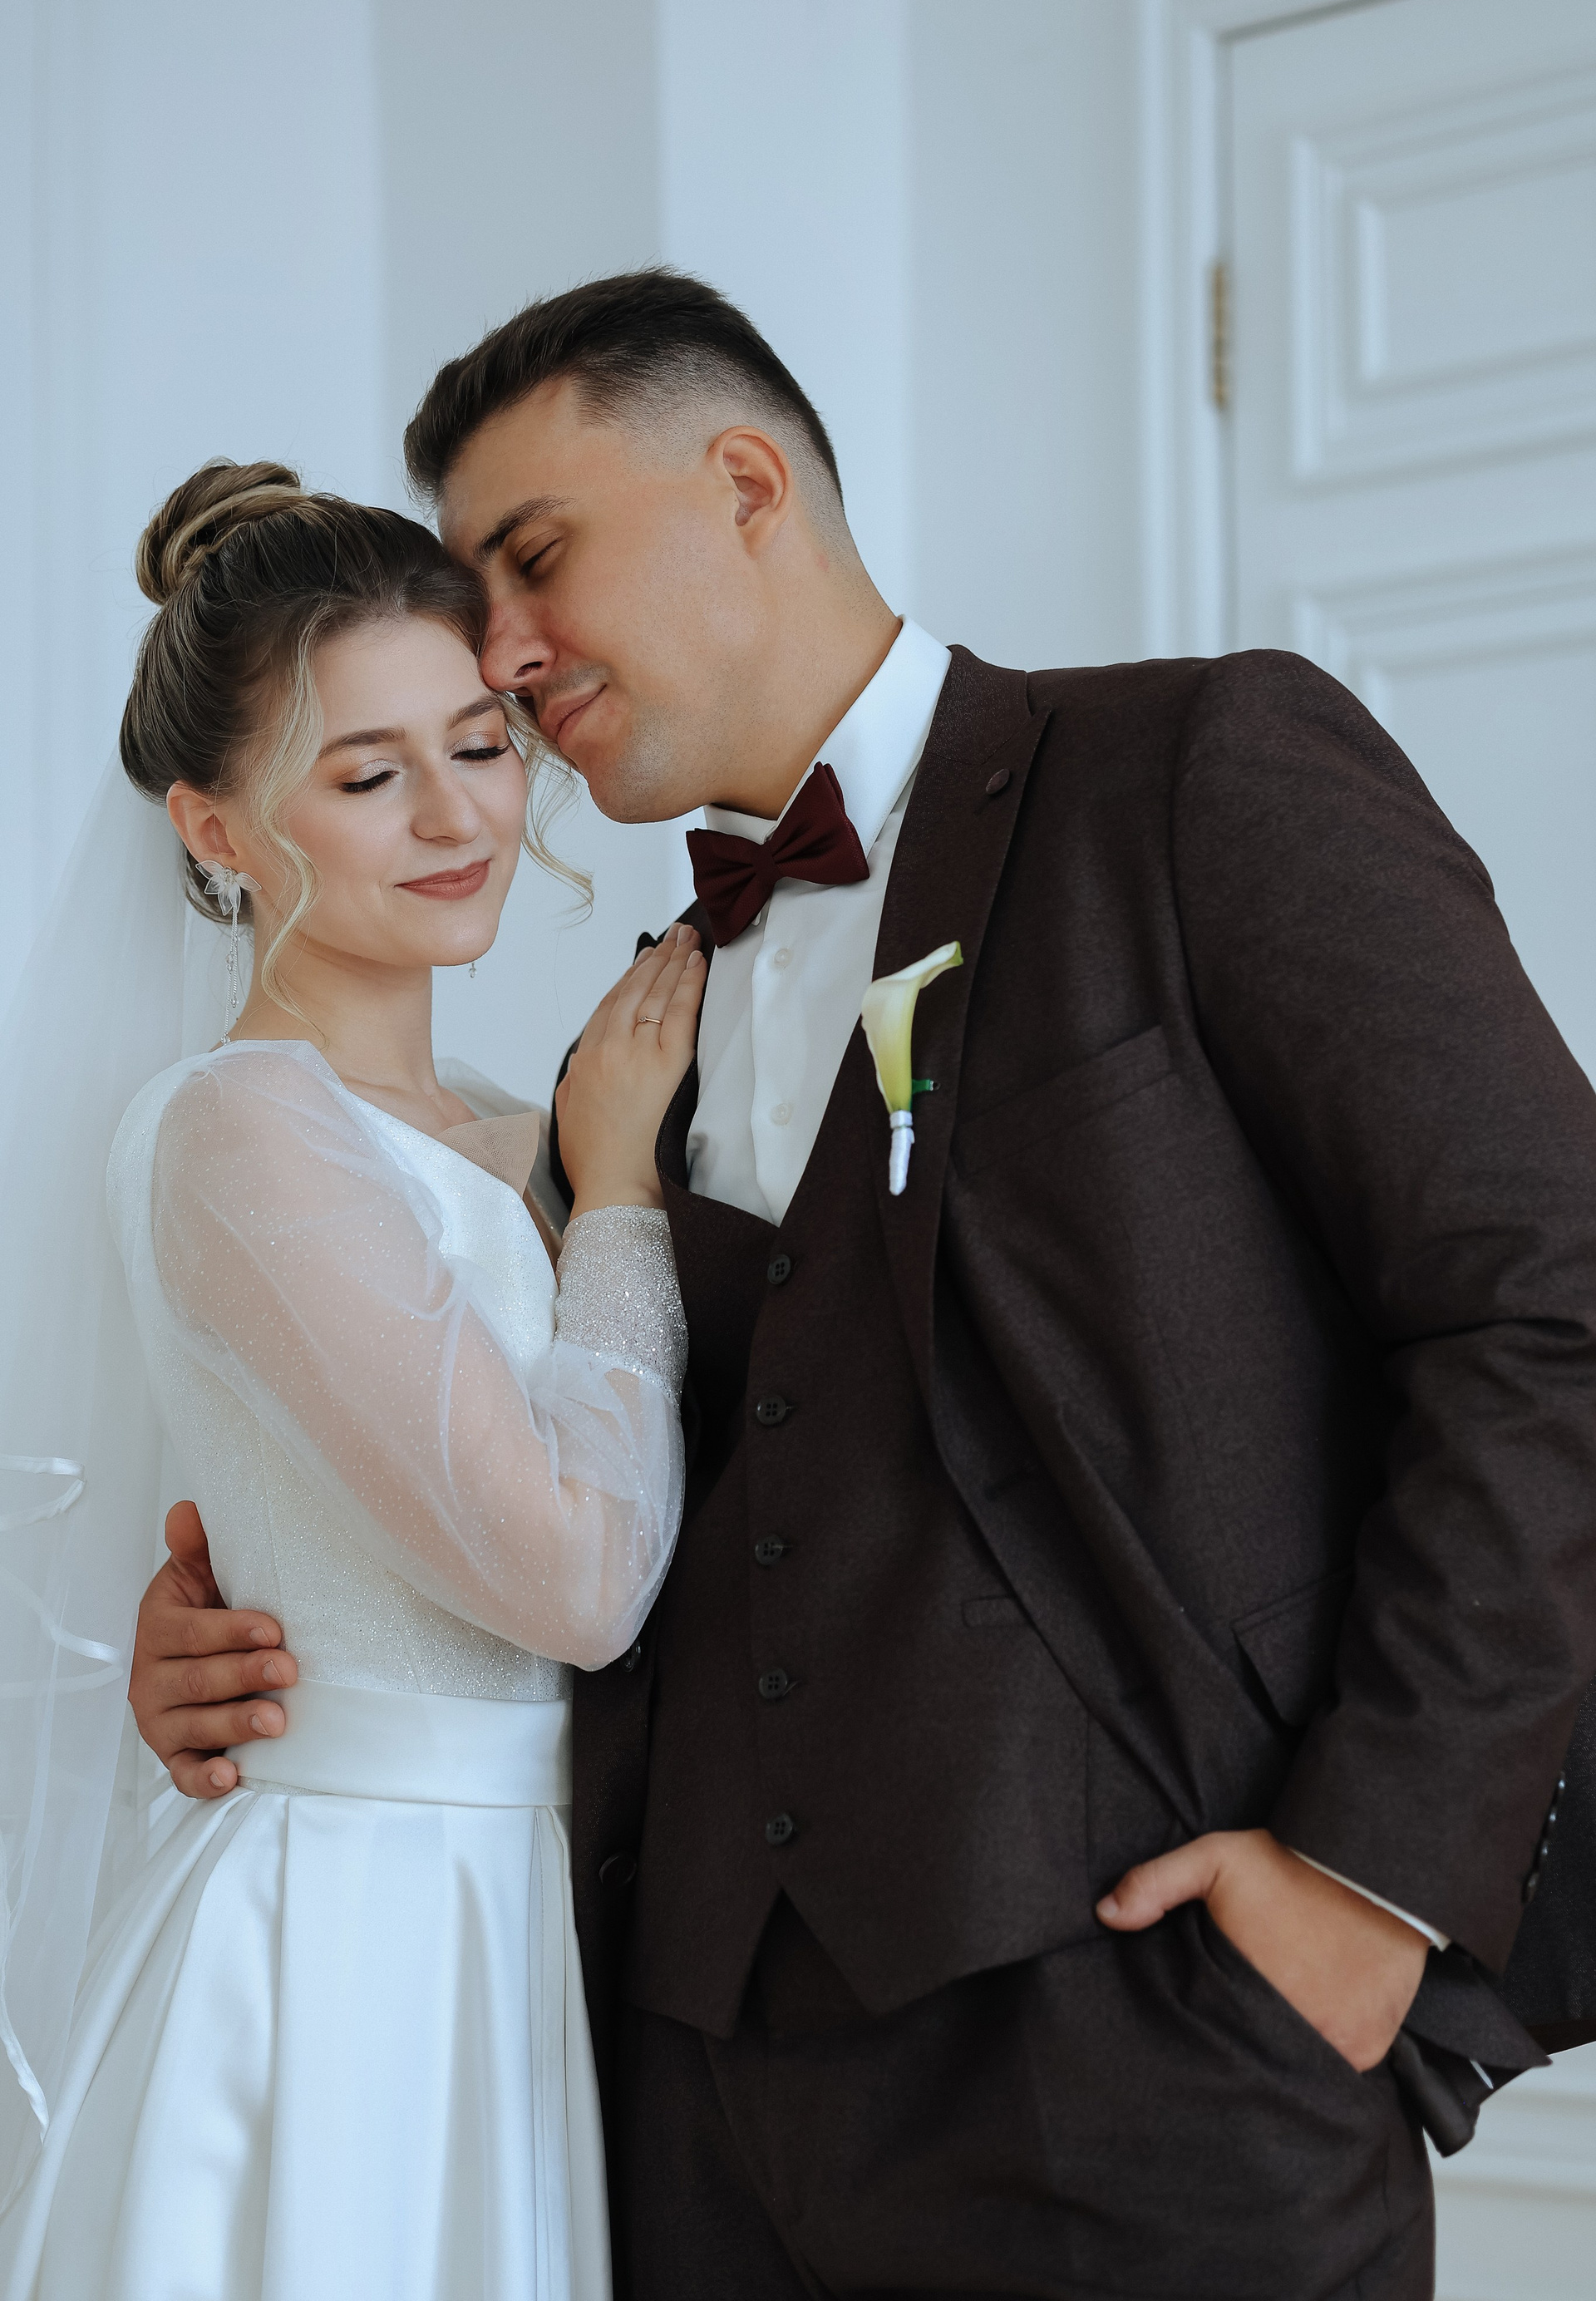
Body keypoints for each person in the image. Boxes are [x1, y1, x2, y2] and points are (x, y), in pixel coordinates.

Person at [129, 278, 1596, 2299]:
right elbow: (623, 1473)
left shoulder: (1193, 769)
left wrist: (1375, 1875)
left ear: (748, 484)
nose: (507, 650)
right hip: (674, 2109)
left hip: (1156, 2054)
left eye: (536, 559)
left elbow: (1544, 1304)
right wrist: (261, 1639)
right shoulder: (629, 1038)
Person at [0, 460, 706, 2301]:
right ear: (215, 829)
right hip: (357, 1930)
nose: (458, 815)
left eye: (480, 744)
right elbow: (576, 1579)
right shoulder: (244, 1129)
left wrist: (590, 1168)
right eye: (368, 776)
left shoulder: (514, 1121)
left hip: (541, 1914)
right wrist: (623, 1200)